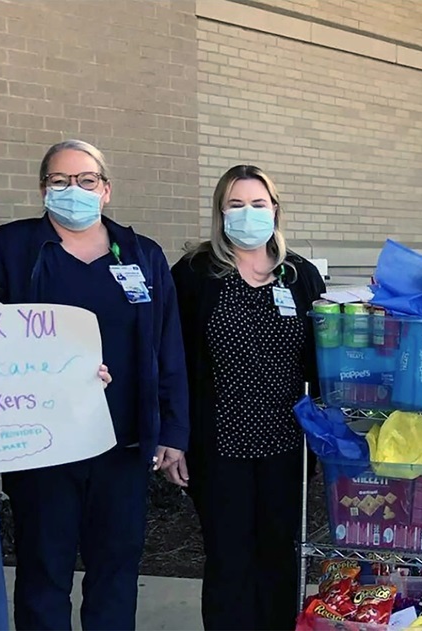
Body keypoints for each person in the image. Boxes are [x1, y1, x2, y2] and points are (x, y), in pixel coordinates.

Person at [0, 140, 190, 630]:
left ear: (106, 190)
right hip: (43, 446)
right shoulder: (10, 249)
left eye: (86, 180)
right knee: (42, 572)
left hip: (122, 444)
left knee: (115, 571)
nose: (73, 189)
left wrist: (173, 431)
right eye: (60, 181)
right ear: (42, 189)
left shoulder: (142, 254)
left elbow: (168, 346)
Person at [170, 165, 325, 630]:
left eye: (258, 204)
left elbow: (321, 359)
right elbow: (173, 360)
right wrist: (173, 433)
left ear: (275, 209)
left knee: (280, 557)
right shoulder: (195, 274)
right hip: (219, 446)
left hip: (286, 446)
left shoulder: (299, 275)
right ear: (220, 213)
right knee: (228, 558)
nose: (248, 213)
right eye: (236, 205)